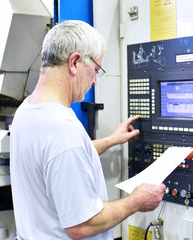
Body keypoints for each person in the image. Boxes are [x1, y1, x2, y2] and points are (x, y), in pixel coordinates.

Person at [10, 20, 166, 240]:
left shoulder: (27, 111)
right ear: (74, 62)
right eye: (95, 70)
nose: (95, 81)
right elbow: (82, 225)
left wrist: (110, 140)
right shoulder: (62, 129)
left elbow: (57, 158)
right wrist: (137, 201)